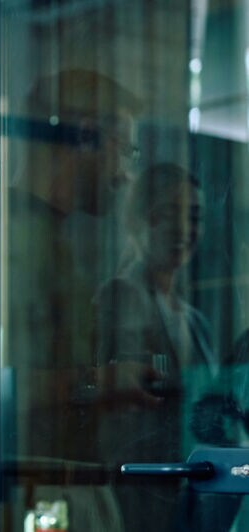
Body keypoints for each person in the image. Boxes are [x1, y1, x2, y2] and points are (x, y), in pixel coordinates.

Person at [3, 69, 140, 530]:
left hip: (66, 488)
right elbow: (4, 388)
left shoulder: (53, 239)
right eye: (126, 150)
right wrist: (105, 382)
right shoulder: (15, 240)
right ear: (86, 135)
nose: (125, 175)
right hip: (40, 495)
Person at [91, 163, 239, 531]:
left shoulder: (196, 322)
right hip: (143, 491)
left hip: (199, 490)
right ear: (140, 219)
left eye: (194, 216)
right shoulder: (120, 298)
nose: (183, 230)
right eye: (167, 214)